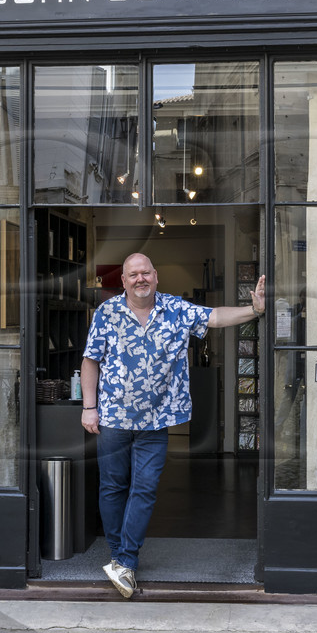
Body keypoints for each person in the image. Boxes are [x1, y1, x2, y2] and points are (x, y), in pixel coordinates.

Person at [80, 252, 266, 599]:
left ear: (156, 276)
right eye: (133, 274)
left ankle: (126, 560)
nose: (140, 279)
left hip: (157, 419)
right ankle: (119, 557)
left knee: (145, 489)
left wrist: (253, 310)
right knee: (113, 487)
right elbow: (90, 359)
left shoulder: (176, 310)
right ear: (123, 281)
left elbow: (215, 317)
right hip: (113, 417)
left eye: (146, 273)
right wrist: (89, 408)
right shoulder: (107, 313)